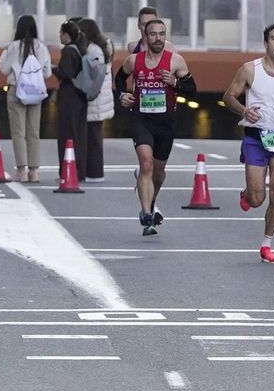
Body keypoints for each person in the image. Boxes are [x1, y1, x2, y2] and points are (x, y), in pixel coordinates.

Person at [224, 23, 274, 263]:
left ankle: (267, 243)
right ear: (265, 43)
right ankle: (247, 194)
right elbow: (228, 97)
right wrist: (244, 111)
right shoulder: (250, 69)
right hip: (256, 137)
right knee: (258, 198)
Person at [120, 17, 194, 235]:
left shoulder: (176, 61)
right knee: (145, 164)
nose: (158, 38)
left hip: (165, 123)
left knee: (158, 173)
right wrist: (123, 95)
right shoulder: (134, 61)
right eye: (153, 34)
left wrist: (175, 83)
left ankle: (151, 202)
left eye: (162, 34)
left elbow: (192, 89)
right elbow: (118, 79)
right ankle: (146, 214)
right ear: (145, 36)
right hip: (141, 119)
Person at [0, 14, 51, 183]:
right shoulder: (41, 47)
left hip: (16, 90)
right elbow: (47, 73)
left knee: (18, 132)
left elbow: (3, 69)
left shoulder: (13, 47)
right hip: (36, 93)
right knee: (34, 132)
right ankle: (34, 171)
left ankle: (21, 170)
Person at [54, 20, 91, 181]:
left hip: (69, 95)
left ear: (67, 35)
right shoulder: (81, 49)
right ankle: (79, 170)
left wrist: (53, 68)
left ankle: (67, 170)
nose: (59, 36)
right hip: (81, 96)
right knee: (79, 134)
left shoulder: (68, 51)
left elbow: (66, 73)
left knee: (67, 134)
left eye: (61, 33)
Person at [79, 18, 115, 180]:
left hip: (95, 99)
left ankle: (94, 172)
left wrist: (89, 92)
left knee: (92, 138)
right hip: (103, 97)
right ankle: (93, 171)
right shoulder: (106, 46)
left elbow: (95, 74)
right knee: (94, 136)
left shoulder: (93, 50)